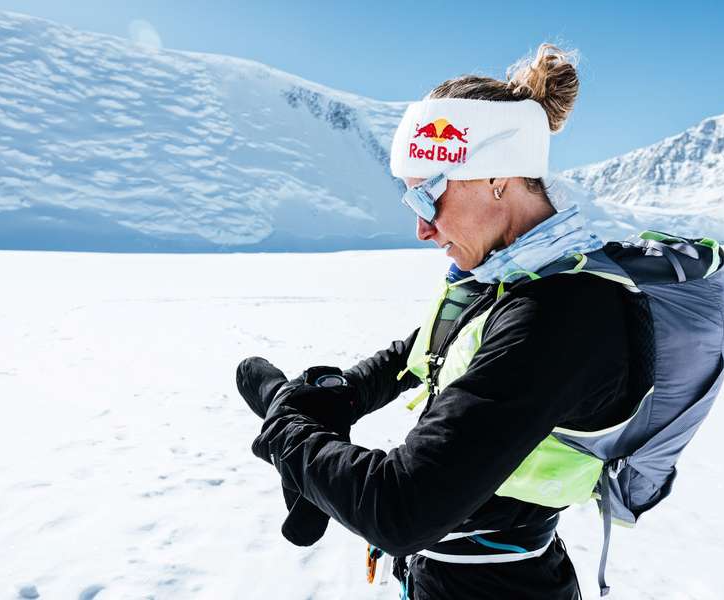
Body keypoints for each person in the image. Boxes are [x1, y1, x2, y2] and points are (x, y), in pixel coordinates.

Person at [239, 44, 646, 599]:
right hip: (452, 575)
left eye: (429, 197)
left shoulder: (565, 314)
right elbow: (432, 349)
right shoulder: (510, 276)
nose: (422, 229)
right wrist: (342, 394)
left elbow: (401, 508)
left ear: (497, 178)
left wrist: (286, 430)